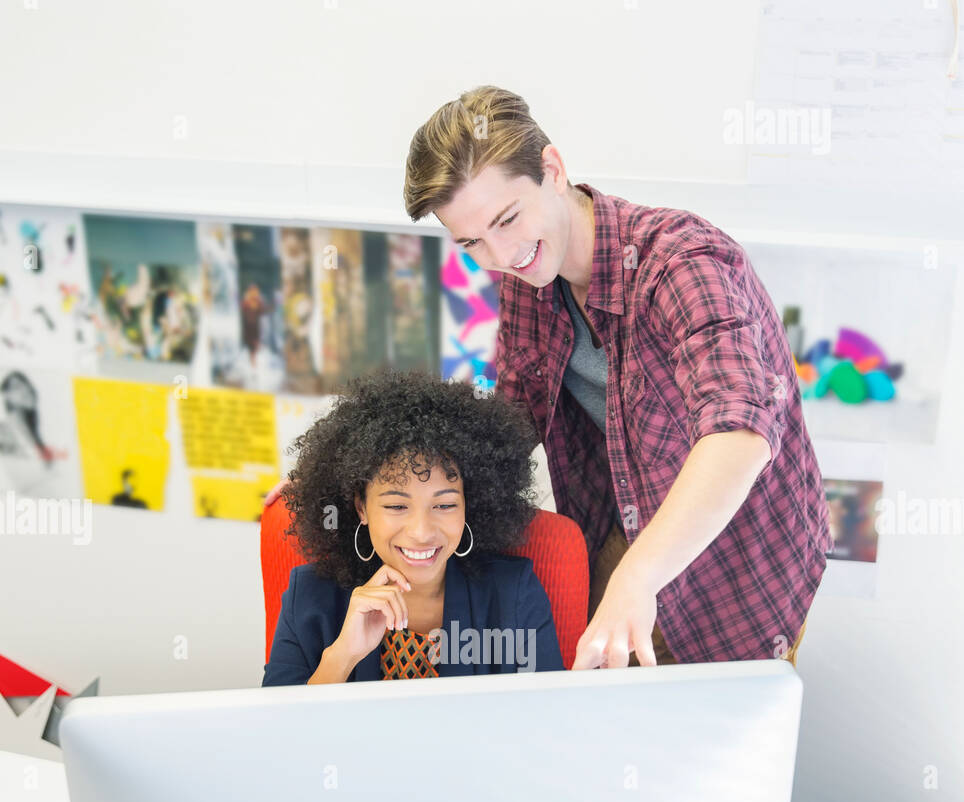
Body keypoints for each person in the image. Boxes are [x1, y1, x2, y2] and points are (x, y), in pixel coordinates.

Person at [402, 86, 832, 670]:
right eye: (472, 241)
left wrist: (637, 579)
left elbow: (740, 432)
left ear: (551, 169)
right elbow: (510, 413)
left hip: (740, 567)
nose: (501, 254)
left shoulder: (680, 261)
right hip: (625, 524)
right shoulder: (529, 274)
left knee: (712, 751)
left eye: (507, 219)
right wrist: (371, 472)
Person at [262, 368, 563, 685]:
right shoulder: (310, 595)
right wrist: (343, 654)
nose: (421, 532)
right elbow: (279, 731)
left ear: (468, 503)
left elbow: (548, 721)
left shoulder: (513, 592)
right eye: (396, 506)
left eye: (444, 505)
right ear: (361, 507)